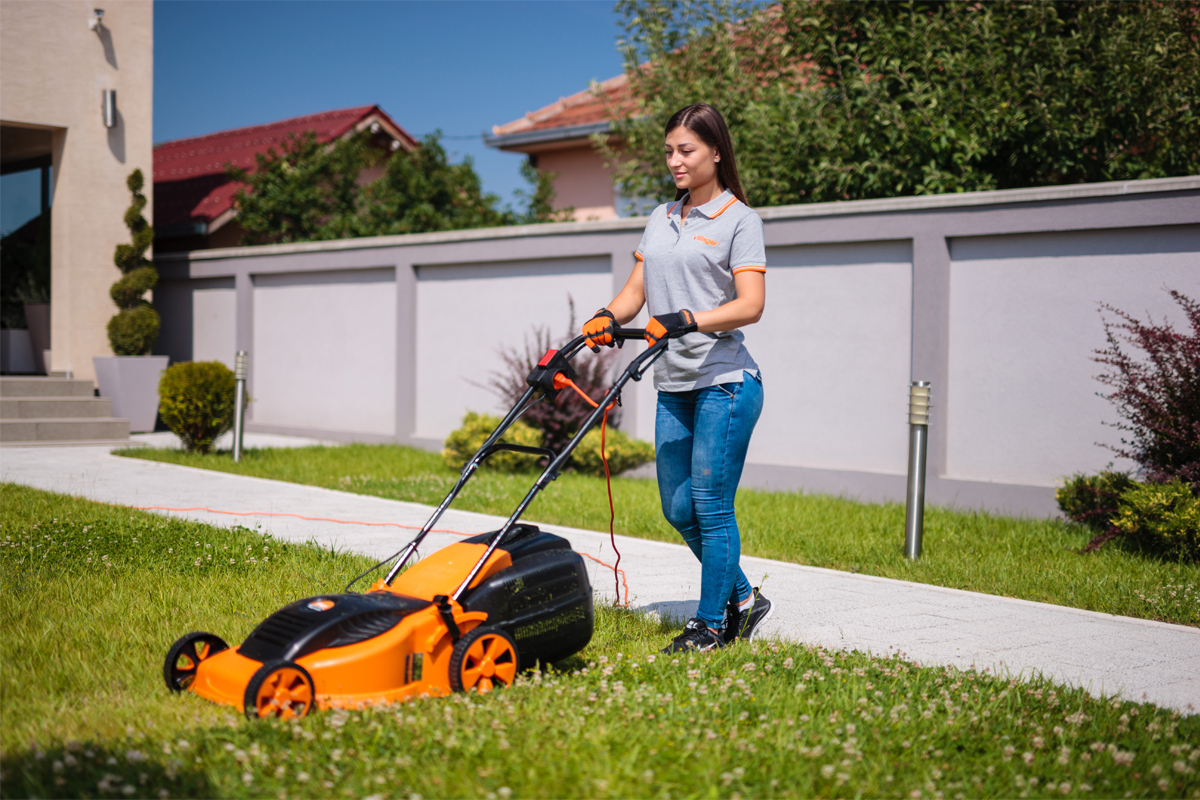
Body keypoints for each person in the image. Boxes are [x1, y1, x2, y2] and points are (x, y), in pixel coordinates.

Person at [582, 103, 771, 653]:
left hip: (725, 381)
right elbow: (636, 290)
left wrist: (689, 318)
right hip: (675, 384)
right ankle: (744, 597)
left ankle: (711, 626)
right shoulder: (662, 217)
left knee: (711, 506)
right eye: (669, 151)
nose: (675, 161)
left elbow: (751, 304)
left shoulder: (740, 220)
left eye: (686, 150)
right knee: (678, 509)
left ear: (716, 152)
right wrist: (607, 316)